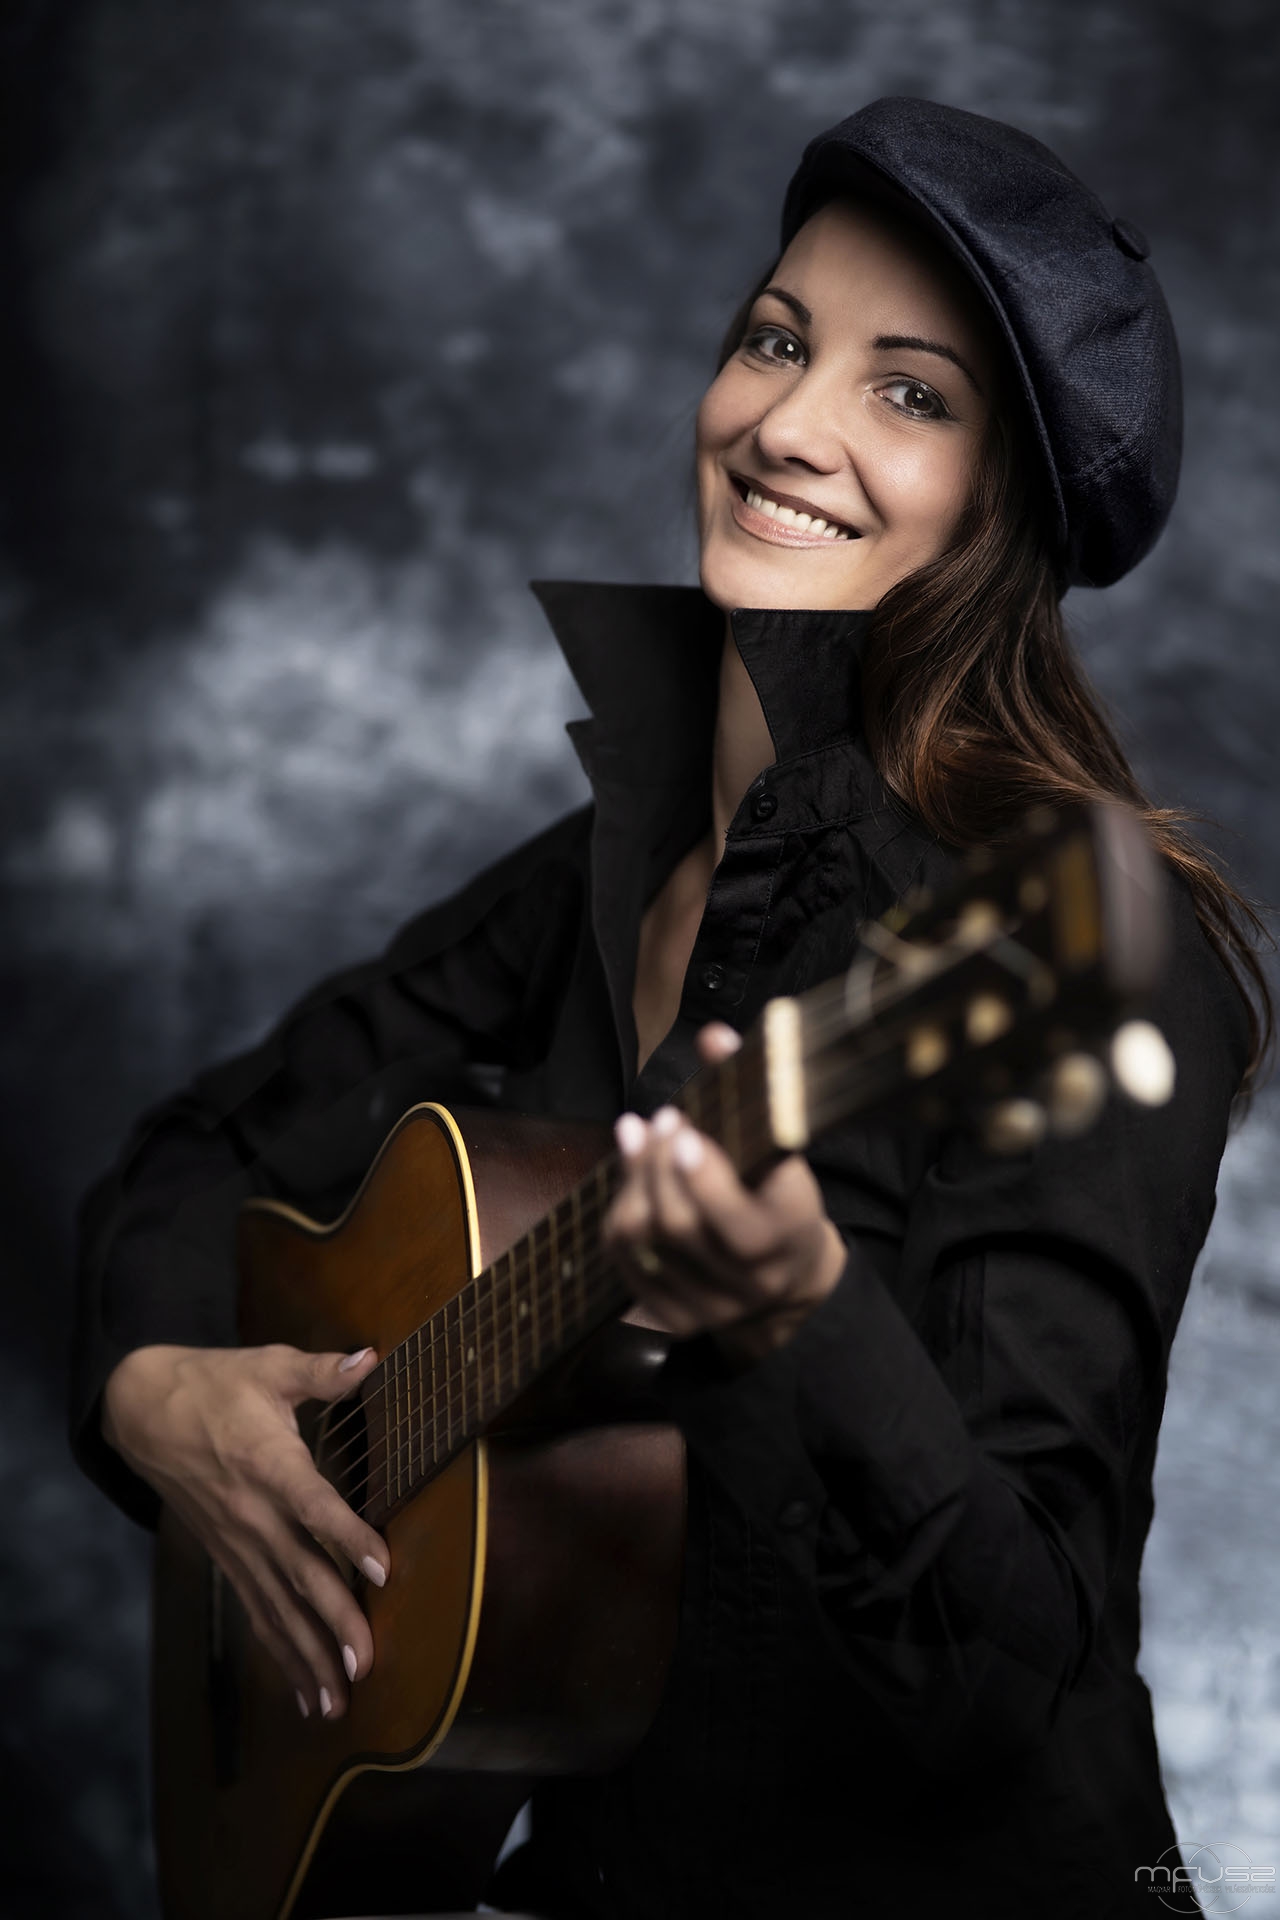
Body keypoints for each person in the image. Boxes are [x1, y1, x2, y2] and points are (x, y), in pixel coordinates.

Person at [72, 98, 1270, 1919]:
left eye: (910, 393)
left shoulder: (1078, 950)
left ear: (1003, 514)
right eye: (777, 342)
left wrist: (804, 1321)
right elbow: (200, 1147)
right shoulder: (597, 871)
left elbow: (1015, 1679)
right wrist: (160, 1388)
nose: (787, 424)